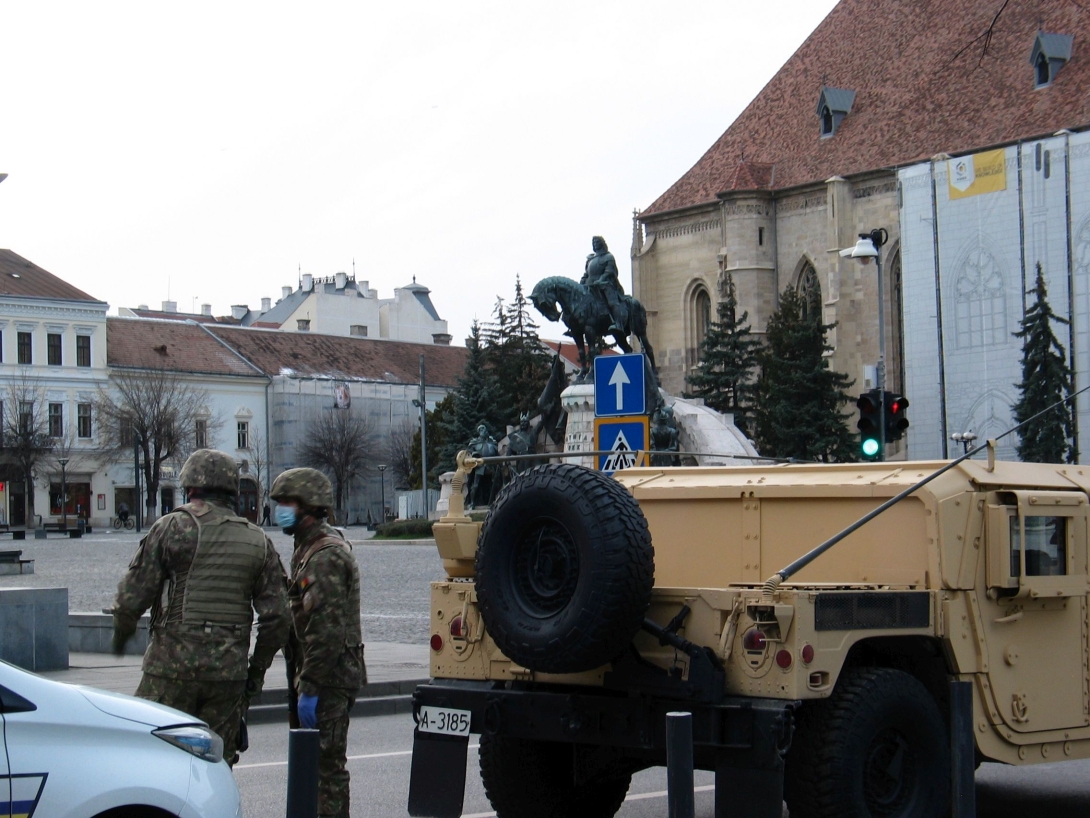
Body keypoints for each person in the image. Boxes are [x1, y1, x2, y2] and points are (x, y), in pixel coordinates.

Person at [111, 449, 290, 766]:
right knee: (215, 765)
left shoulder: (172, 528)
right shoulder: (258, 541)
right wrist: (255, 674)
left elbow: (132, 598)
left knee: (151, 760)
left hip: (170, 671)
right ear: (231, 490)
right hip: (227, 676)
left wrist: (120, 639)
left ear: (189, 486)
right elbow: (277, 619)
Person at [271, 467, 364, 818]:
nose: (280, 509)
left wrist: (309, 686)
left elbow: (327, 631)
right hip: (317, 673)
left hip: (327, 677)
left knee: (327, 769)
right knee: (315, 768)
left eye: (287, 502)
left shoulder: (324, 556)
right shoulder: (307, 548)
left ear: (309, 506)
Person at [582, 235, 625, 334]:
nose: (595, 244)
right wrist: (581, 283)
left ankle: (618, 323)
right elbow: (586, 274)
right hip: (590, 286)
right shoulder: (590, 259)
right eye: (594, 243)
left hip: (605, 284)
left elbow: (609, 271)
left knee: (612, 302)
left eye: (597, 242)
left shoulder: (608, 257)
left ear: (602, 243)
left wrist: (600, 280)